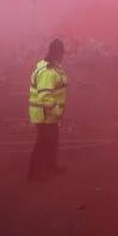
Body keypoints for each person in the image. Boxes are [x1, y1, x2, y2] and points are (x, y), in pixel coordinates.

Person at [28, 39, 68, 181]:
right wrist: (58, 111)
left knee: (52, 141)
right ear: (56, 53)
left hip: (49, 113)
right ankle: (34, 173)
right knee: (43, 143)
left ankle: (50, 166)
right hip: (45, 113)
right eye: (61, 53)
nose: (63, 56)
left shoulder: (52, 67)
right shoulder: (47, 71)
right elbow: (45, 96)